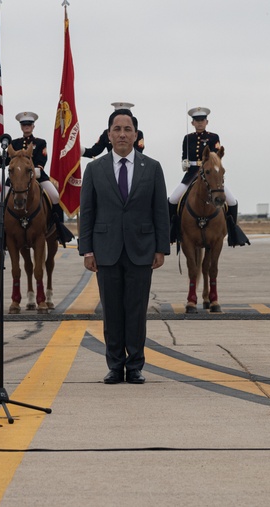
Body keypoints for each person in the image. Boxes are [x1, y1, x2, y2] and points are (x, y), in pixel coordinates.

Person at [79, 108, 169, 385]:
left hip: (141, 249)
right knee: (112, 311)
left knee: (136, 310)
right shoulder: (94, 169)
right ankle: (115, 366)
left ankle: (136, 365)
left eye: (127, 129)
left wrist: (161, 248)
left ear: (135, 135)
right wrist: (87, 250)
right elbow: (88, 211)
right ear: (108, 135)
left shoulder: (152, 168)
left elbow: (160, 212)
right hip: (106, 250)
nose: (122, 134)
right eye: (116, 129)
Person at [168, 107, 249, 247]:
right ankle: (171, 231)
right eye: (196, 121)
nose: (199, 123)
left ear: (207, 121)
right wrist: (184, 163)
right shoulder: (188, 138)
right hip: (191, 174)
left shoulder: (213, 137)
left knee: (232, 202)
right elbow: (184, 156)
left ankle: (233, 232)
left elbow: (216, 157)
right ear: (193, 123)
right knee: (173, 199)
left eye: (202, 120)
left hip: (210, 175)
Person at [4, 111, 73, 245]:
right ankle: (2, 232)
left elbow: (42, 159)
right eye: (24, 125)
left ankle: (59, 229)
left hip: (37, 176)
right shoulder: (14, 143)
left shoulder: (40, 142)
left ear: (33, 126)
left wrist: (36, 169)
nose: (27, 127)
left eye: (29, 124)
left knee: (55, 197)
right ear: (21, 127)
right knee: (0, 202)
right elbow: (6, 160)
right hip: (17, 179)